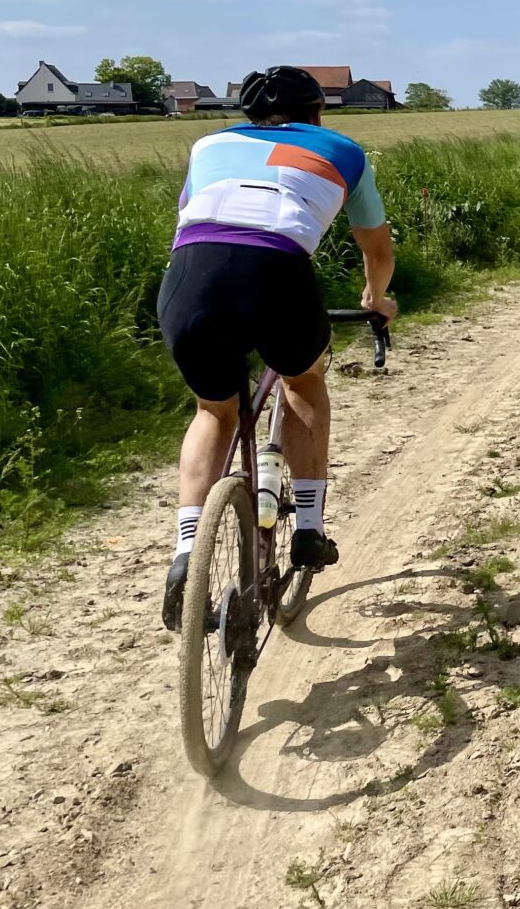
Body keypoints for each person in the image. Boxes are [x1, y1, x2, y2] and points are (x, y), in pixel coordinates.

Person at [156, 65, 398, 630]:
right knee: (302, 379)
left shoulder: (207, 144)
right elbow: (378, 252)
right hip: (278, 274)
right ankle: (309, 531)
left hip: (193, 275)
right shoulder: (343, 149)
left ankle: (187, 548)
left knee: (214, 411)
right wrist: (375, 299)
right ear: (318, 112)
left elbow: (193, 223)